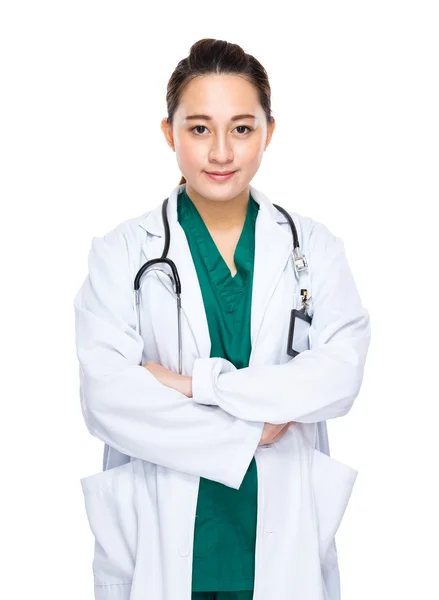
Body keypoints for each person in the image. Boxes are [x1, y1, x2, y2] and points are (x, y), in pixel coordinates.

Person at [74, 38, 371, 600]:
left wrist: (193, 385)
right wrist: (256, 424)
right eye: (199, 128)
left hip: (283, 524)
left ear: (269, 132)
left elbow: (339, 376)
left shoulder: (314, 247)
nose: (221, 152)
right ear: (169, 133)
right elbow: (107, 397)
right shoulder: (123, 252)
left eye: (241, 128)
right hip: (162, 530)